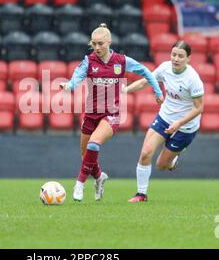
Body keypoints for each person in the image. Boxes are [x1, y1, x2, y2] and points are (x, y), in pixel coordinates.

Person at [60, 23, 164, 202]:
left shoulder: (121, 61)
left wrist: (158, 92)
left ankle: (79, 184)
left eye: (100, 43)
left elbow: (146, 72)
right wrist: (69, 86)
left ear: (109, 42)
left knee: (93, 144)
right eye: (94, 44)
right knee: (86, 156)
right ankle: (99, 177)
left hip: (112, 115)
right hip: (91, 114)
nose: (97, 47)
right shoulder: (89, 61)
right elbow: (77, 76)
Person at [122, 41, 204, 203]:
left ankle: (173, 159)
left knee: (161, 165)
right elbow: (145, 81)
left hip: (186, 127)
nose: (176, 59)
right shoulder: (165, 68)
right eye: (174, 54)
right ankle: (141, 195)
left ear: (188, 58)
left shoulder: (193, 79)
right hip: (165, 118)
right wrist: (124, 90)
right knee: (145, 153)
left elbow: (199, 108)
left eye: (181, 56)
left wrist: (179, 124)